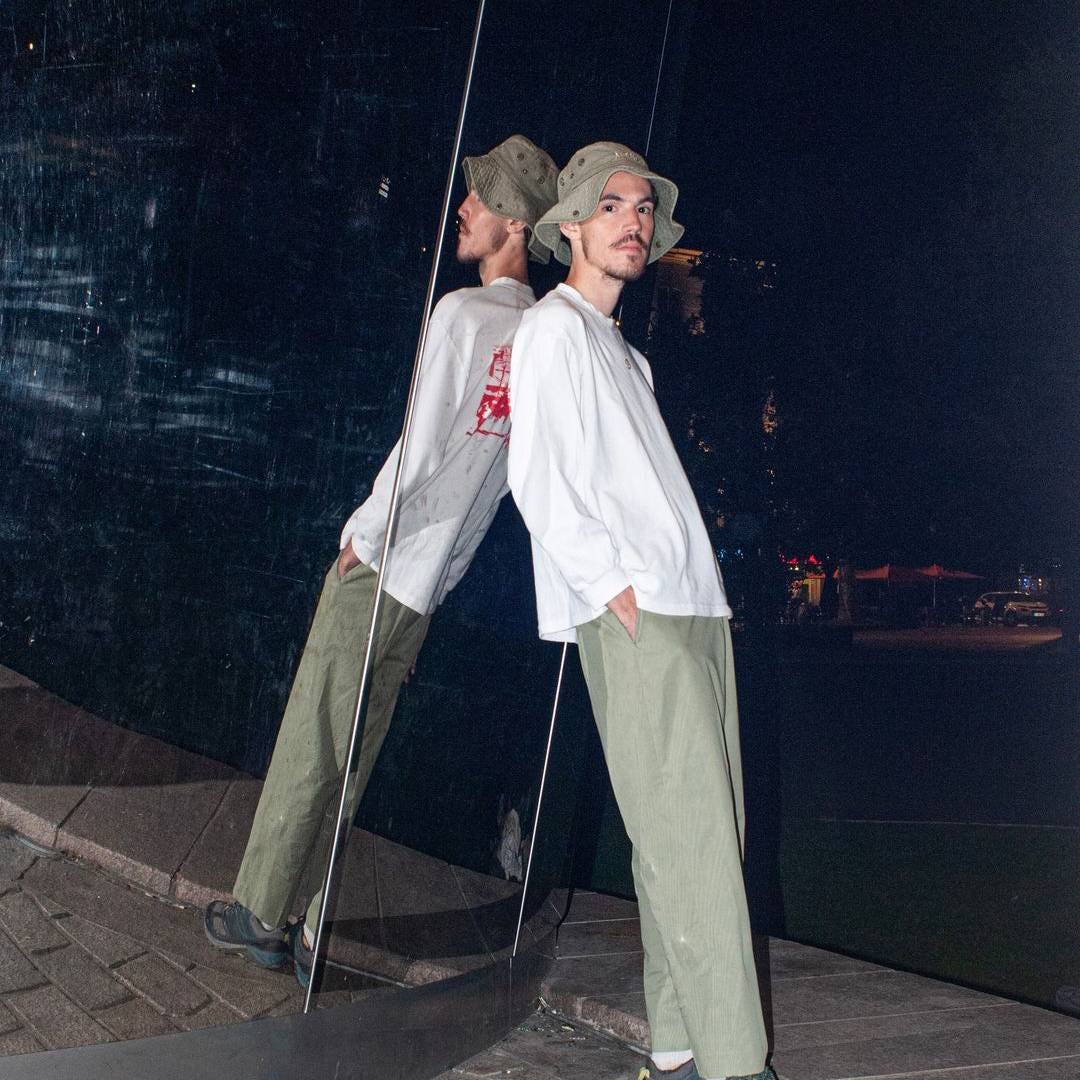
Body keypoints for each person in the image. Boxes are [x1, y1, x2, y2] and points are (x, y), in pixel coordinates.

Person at [204, 135, 557, 986]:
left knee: (314, 735)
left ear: (515, 224)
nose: (463, 208)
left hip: (387, 563)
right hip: (429, 586)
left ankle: (260, 913)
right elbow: (502, 481)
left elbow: (421, 449)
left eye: (480, 198)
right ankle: (309, 923)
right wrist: (446, 573)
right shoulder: (538, 338)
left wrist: (362, 535)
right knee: (355, 753)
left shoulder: (463, 316)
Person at [507, 143, 774, 1080]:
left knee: (697, 836)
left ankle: (680, 1048)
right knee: (693, 841)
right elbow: (537, 475)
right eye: (612, 205)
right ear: (572, 225)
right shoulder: (552, 329)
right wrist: (610, 588)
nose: (634, 220)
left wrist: (691, 596)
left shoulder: (627, 356)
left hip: (691, 605)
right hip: (638, 611)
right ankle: (737, 1066)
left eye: (643, 207)